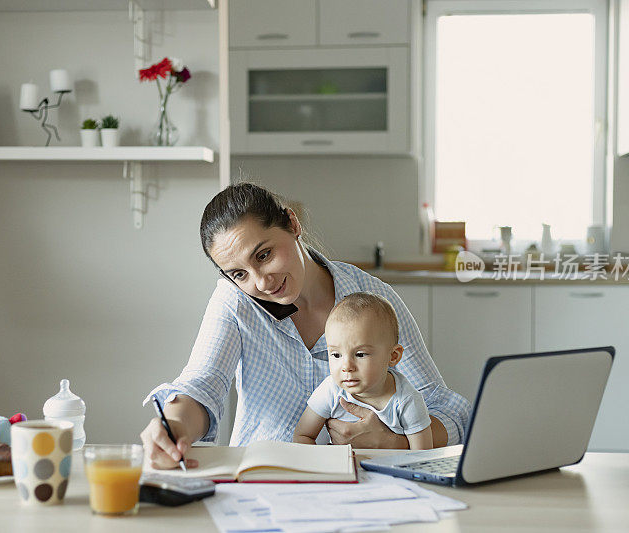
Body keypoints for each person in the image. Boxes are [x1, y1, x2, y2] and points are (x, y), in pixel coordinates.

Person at [141, 183, 470, 470]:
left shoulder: (373, 297)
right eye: (239, 274)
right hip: (264, 485)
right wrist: (173, 428)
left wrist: (395, 441)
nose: (261, 282)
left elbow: (447, 410)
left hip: (366, 490)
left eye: (264, 254)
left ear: (293, 224)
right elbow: (201, 388)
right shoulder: (235, 301)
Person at [293, 292, 433, 450]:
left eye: (360, 354)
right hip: (339, 472)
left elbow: (423, 457)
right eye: (336, 354)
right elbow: (302, 435)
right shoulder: (331, 390)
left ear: (393, 356)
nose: (346, 366)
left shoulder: (406, 401)